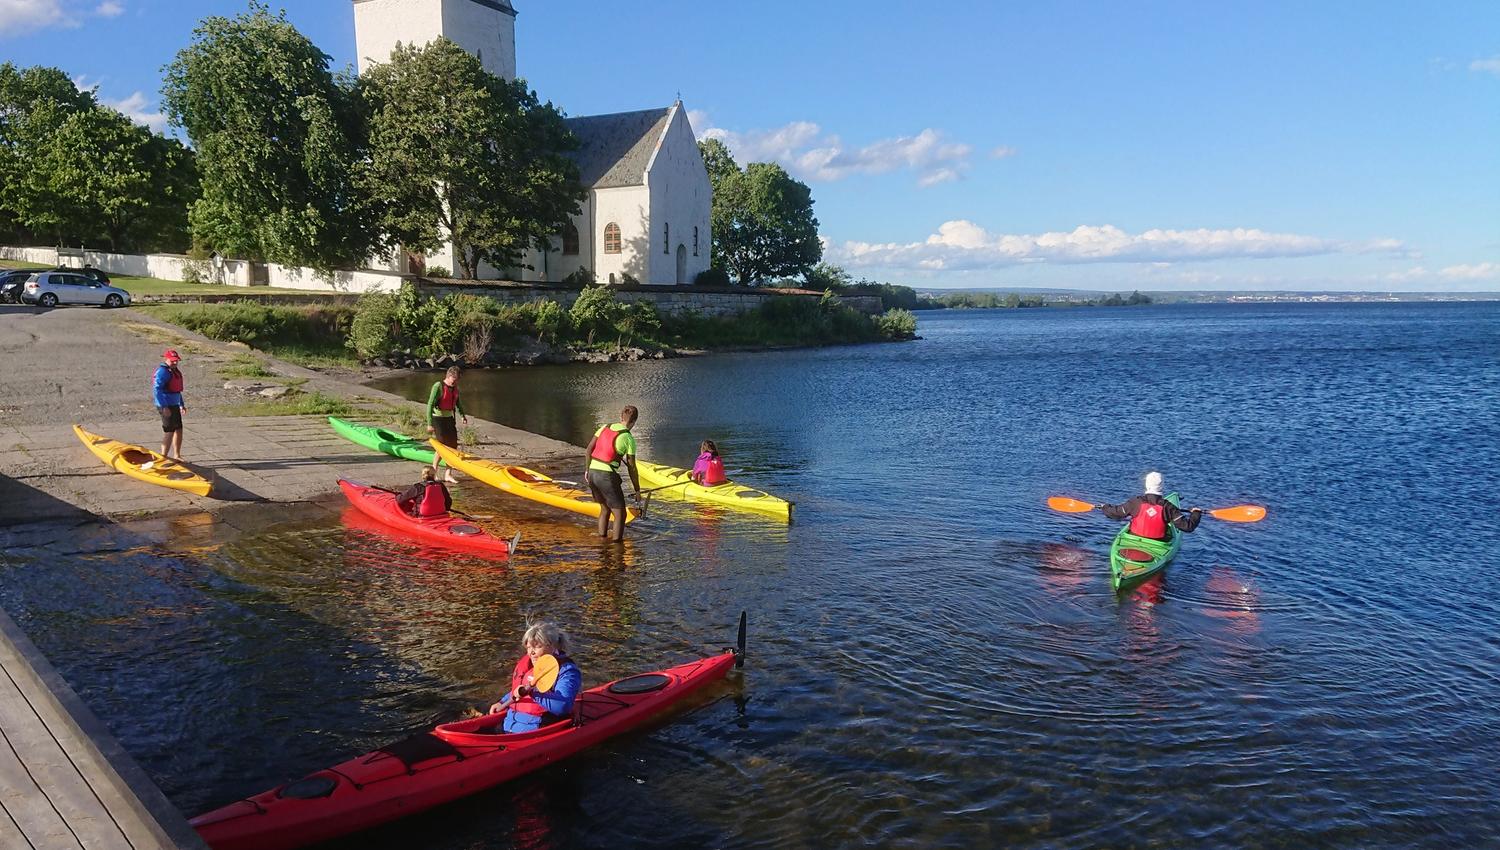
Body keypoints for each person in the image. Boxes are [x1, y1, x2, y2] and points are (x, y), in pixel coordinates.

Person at [487, 622, 582, 733]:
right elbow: (517, 689)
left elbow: (563, 706)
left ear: (552, 646)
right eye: (528, 647)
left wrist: (531, 692)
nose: (531, 652)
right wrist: (502, 702)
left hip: (538, 730)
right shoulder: (529, 665)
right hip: (510, 724)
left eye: (537, 647)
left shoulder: (567, 671)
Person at [585, 406, 641, 542]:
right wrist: (637, 490)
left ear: (621, 417)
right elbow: (632, 467)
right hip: (606, 476)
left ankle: (602, 541)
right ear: (633, 422)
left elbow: (588, 450)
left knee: (605, 509)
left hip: (592, 473)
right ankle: (617, 550)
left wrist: (587, 470)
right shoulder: (628, 438)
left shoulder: (605, 427)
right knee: (620, 514)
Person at [1100, 471, 1202, 540]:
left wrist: (1105, 507)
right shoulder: (1168, 507)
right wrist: (1196, 513)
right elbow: (1188, 527)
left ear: (1146, 484)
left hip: (1134, 538)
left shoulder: (1135, 502)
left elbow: (1116, 513)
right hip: (1158, 542)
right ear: (1162, 486)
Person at [426, 366, 468, 483]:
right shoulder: (438, 386)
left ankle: (448, 474)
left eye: (457, 380)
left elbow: (458, 403)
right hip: (438, 419)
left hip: (449, 418)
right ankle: (434, 472)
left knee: (453, 446)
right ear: (449, 376)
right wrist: (429, 424)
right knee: (442, 446)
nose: (455, 382)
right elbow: (429, 405)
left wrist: (463, 416)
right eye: (454, 380)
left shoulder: (455, 388)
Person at [152, 349, 186, 461]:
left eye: (176, 360)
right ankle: (163, 457)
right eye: (172, 361)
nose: (175, 363)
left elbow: (177, 390)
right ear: (166, 359)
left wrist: (181, 404)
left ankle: (177, 455)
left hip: (174, 404)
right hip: (165, 405)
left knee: (179, 429)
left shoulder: (174, 370)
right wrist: (164, 406)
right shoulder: (162, 372)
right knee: (169, 430)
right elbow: (157, 390)